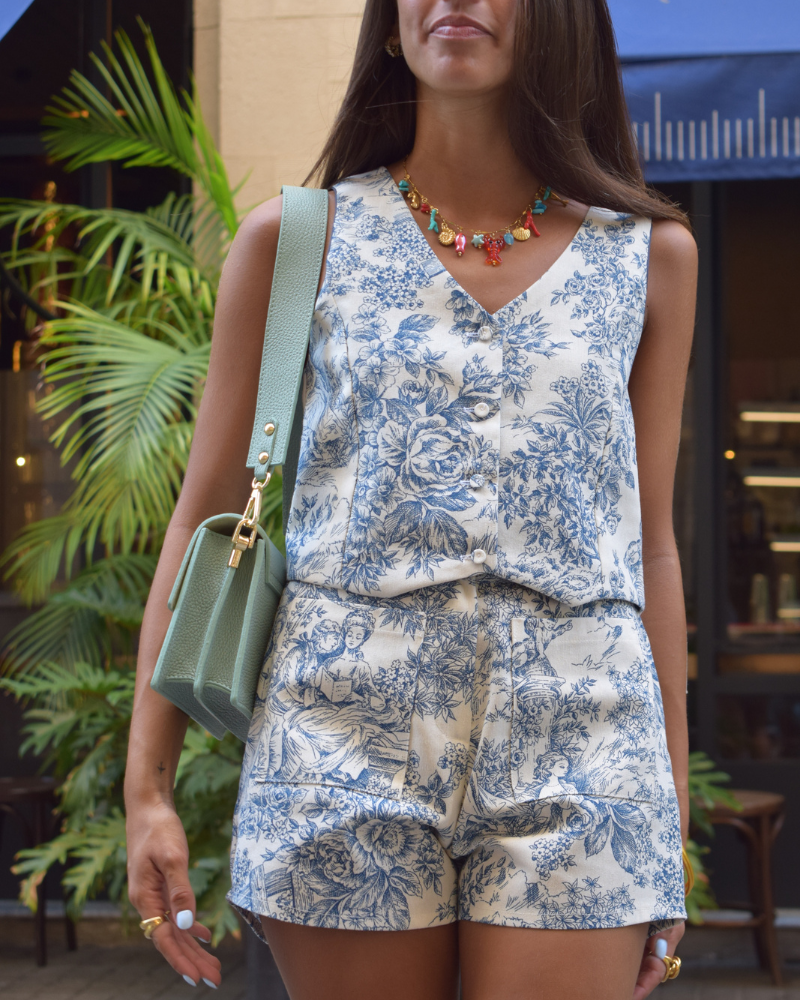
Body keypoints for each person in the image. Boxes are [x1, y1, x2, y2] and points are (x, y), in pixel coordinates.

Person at [124, 1, 697, 997]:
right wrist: (148, 789)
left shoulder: (648, 257)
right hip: (339, 734)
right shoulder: (295, 241)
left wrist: (667, 819)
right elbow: (202, 516)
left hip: (585, 738)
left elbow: (648, 546)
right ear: (390, 26)